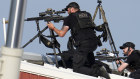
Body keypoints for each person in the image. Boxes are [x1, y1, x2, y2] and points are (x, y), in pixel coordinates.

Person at [47, 2, 110, 78]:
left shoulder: (69, 18)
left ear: (72, 9)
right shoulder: (87, 14)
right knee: (90, 64)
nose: (67, 12)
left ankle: (98, 71)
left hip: (84, 45)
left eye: (68, 10)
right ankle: (99, 69)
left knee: (77, 68)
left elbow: (61, 34)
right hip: (94, 43)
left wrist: (52, 27)